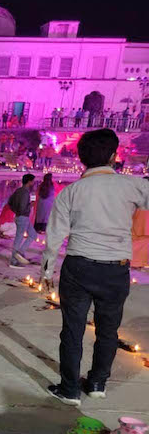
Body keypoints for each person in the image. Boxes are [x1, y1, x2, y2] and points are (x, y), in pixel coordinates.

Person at [42, 129, 149, 406]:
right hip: (116, 269)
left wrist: (46, 271)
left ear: (81, 160)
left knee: (73, 330)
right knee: (108, 330)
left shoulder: (72, 192)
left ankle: (69, 389)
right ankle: (98, 382)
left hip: (79, 266)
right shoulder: (132, 186)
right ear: (114, 157)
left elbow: (54, 236)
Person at [7, 174, 37, 268]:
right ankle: (14, 261)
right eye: (32, 181)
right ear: (29, 181)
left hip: (21, 217)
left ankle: (20, 253)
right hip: (22, 217)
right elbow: (23, 207)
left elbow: (9, 202)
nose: (33, 183)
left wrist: (15, 211)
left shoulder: (19, 190)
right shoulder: (24, 192)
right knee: (19, 238)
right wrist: (30, 205)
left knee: (33, 235)